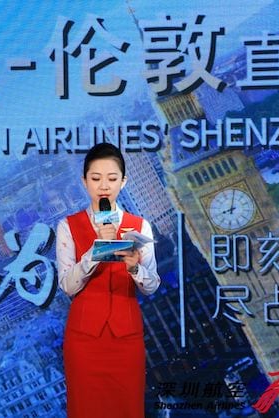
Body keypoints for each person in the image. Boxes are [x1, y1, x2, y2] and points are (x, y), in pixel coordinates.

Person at [56, 143, 160, 418]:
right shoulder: (68, 226)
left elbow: (152, 286)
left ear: (123, 182)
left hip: (126, 338)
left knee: (128, 409)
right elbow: (67, 285)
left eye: (112, 179)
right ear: (84, 181)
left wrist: (135, 268)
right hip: (84, 341)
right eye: (96, 178)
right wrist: (96, 251)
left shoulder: (140, 226)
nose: (104, 186)